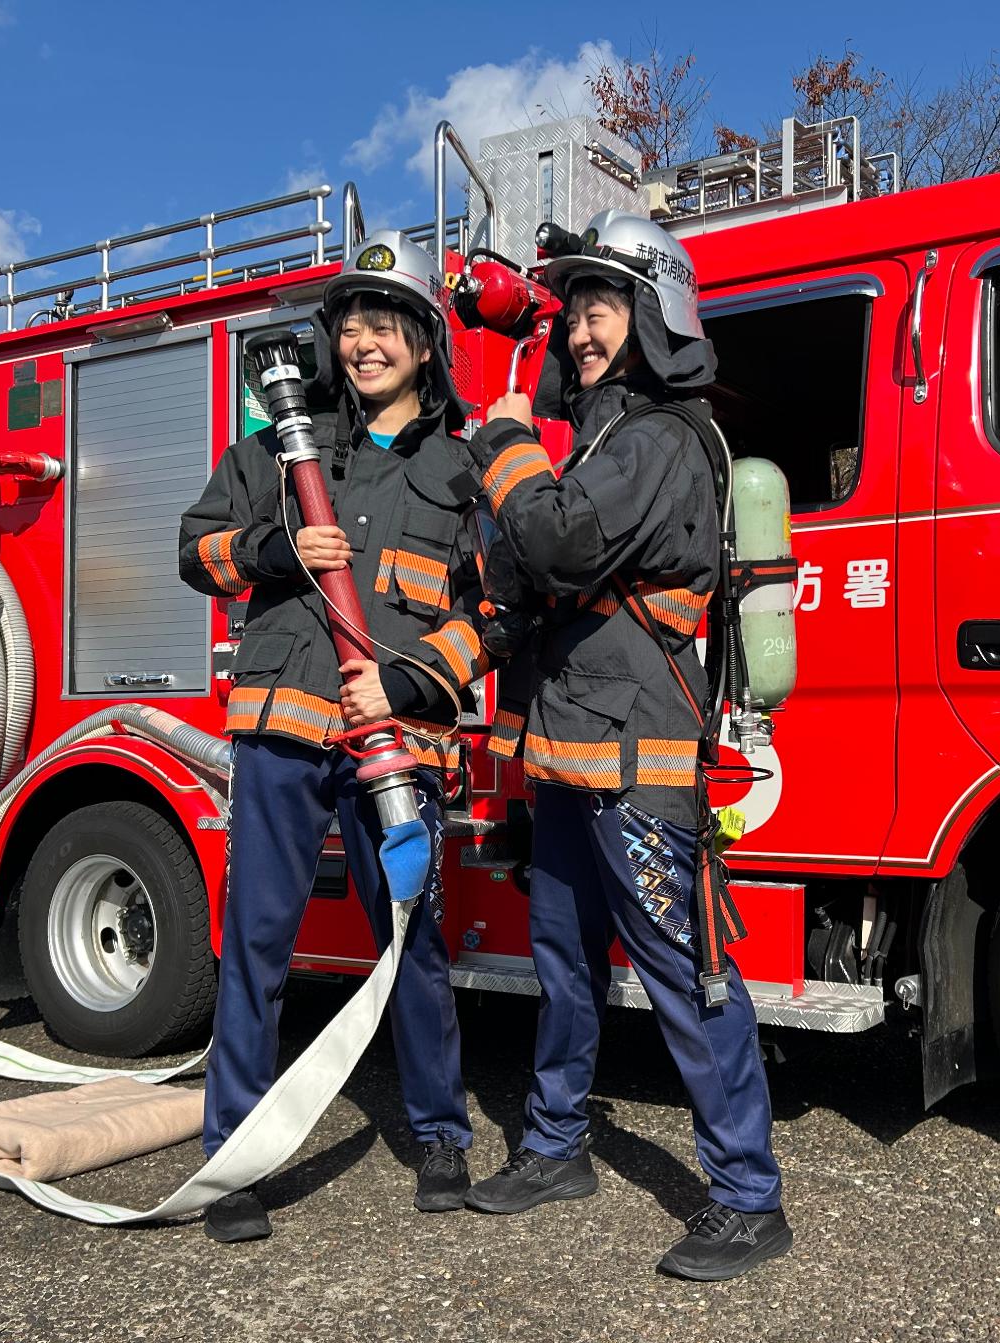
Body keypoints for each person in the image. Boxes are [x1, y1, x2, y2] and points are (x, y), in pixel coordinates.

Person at [461, 210, 790, 1281]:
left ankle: (747, 1195)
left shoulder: (655, 439)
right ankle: (556, 1148)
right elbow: (527, 566)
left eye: (601, 308)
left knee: (686, 976)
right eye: (573, 316)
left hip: (638, 771)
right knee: (560, 966)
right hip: (567, 762)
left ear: (653, 317)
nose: (580, 332)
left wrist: (507, 447)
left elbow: (554, 540)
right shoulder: (597, 441)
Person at [178, 230, 487, 1242]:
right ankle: (234, 1159)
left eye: (385, 324)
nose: (364, 342)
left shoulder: (463, 464)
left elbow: (493, 613)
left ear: (424, 343)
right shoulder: (279, 446)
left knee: (414, 946)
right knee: (258, 941)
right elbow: (196, 550)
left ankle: (440, 1135)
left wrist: (404, 679)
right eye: (350, 323)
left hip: (395, 740)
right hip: (280, 728)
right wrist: (276, 544)